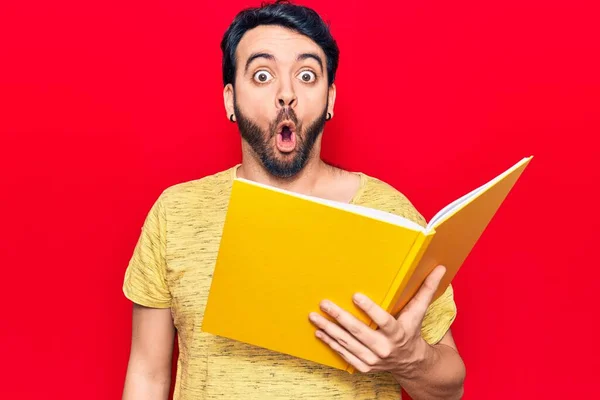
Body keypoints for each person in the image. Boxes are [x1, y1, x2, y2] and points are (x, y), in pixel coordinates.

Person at [121, 1, 466, 399]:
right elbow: (147, 376)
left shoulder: (389, 214)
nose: (287, 93)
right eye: (263, 75)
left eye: (306, 75)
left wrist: (410, 358)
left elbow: (450, 389)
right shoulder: (176, 214)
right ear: (230, 100)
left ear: (330, 98)